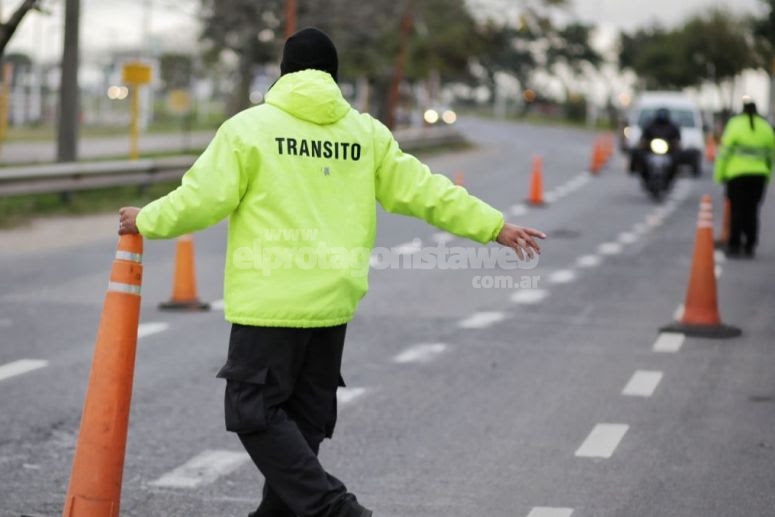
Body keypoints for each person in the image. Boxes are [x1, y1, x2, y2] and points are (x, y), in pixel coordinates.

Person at [118, 27, 545, 517]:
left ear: (282, 73)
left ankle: (338, 511)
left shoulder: (249, 129)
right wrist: (495, 227)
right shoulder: (364, 134)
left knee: (251, 412)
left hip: (270, 303)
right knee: (302, 427)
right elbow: (426, 191)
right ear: (334, 77)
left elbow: (200, 200)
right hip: (330, 306)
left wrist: (145, 219)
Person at [714, 96, 774, 258]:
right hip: (758, 176)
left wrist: (719, 174)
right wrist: (767, 174)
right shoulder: (765, 127)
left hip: (736, 175)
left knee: (737, 210)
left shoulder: (735, 124)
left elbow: (724, 153)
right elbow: (771, 155)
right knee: (752, 210)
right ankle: (750, 244)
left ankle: (734, 245)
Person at [631, 107, 681, 183]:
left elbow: (677, 139)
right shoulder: (650, 125)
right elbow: (643, 138)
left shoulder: (672, 126)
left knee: (677, 157)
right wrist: (643, 143)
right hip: (651, 150)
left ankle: (671, 176)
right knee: (637, 154)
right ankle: (643, 174)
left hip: (667, 150)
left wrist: (675, 144)